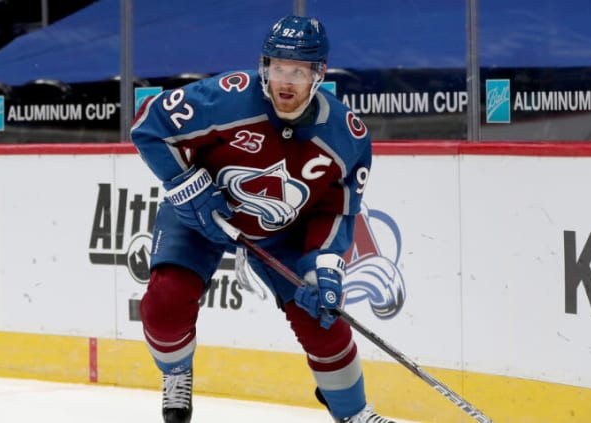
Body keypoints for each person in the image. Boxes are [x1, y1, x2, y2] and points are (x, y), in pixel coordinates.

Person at [131, 14, 396, 423]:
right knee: (164, 302)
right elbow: (150, 124)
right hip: (202, 215)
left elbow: (336, 211)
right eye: (276, 68)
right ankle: (177, 371)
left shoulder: (349, 137)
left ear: (318, 75)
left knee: (324, 322)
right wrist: (187, 182)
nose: (284, 81)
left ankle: (354, 412)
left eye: (296, 71)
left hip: (283, 233)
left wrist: (323, 270)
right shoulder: (226, 97)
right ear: (263, 67)